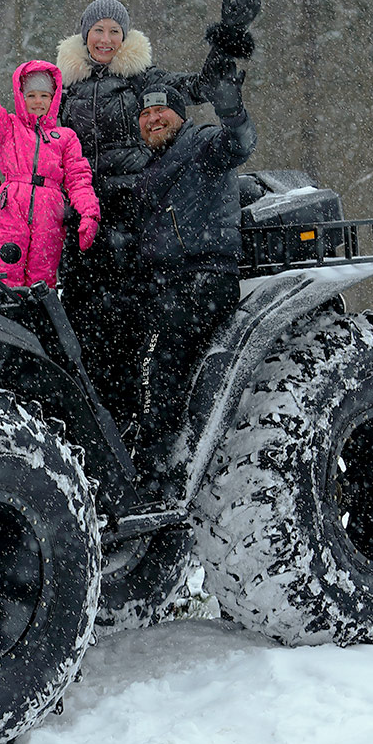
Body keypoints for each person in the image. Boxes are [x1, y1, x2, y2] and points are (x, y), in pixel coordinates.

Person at [130, 26, 258, 493]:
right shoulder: (151, 167)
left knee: (156, 361)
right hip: (171, 282)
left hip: (203, 277)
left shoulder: (201, 144)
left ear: (180, 115)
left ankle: (155, 471)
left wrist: (231, 108)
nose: (153, 118)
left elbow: (239, 142)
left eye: (161, 110)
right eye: (145, 113)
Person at [53, 0, 190, 422]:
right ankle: (92, 415)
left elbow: (189, 89)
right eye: (98, 30)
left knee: (130, 315)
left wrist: (221, 56)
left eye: (115, 31)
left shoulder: (142, 79)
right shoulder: (64, 86)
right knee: (81, 315)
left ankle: (133, 415)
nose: (106, 39)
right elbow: (34, 127)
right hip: (82, 213)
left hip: (131, 209)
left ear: (125, 37)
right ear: (85, 35)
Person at [0, 33, 101, 290]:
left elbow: (79, 179)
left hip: (50, 213)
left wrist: (89, 213)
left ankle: (40, 314)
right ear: (21, 97)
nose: (38, 102)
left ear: (54, 98)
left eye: (44, 96)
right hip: (11, 207)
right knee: (6, 269)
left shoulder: (65, 137)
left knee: (43, 275)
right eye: (31, 96)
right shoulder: (8, 128)